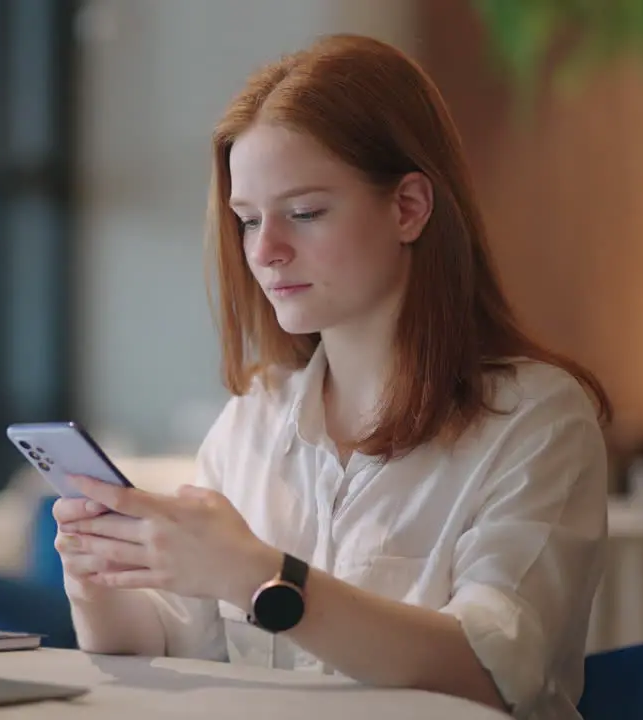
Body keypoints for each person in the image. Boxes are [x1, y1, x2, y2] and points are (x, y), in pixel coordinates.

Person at [52, 33, 611, 720]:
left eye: (305, 213)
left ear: (408, 208)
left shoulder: (535, 420)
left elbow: (491, 675)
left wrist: (262, 575)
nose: (265, 251)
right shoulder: (254, 420)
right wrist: (99, 577)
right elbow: (168, 646)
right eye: (248, 220)